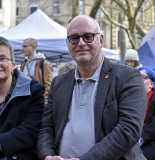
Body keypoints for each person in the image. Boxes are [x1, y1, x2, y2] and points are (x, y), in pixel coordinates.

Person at [37, 15, 147, 160]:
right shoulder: (59, 83)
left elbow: (129, 129)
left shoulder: (127, 77)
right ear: (67, 43)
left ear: (100, 40)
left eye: (88, 36)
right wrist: (48, 156)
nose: (81, 43)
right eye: (74, 38)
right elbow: (46, 128)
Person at [20, 38, 53, 104]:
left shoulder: (44, 64)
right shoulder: (23, 63)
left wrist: (43, 101)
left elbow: (49, 85)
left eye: (25, 46)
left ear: (33, 47)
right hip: (24, 100)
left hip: (37, 100)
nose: (22, 49)